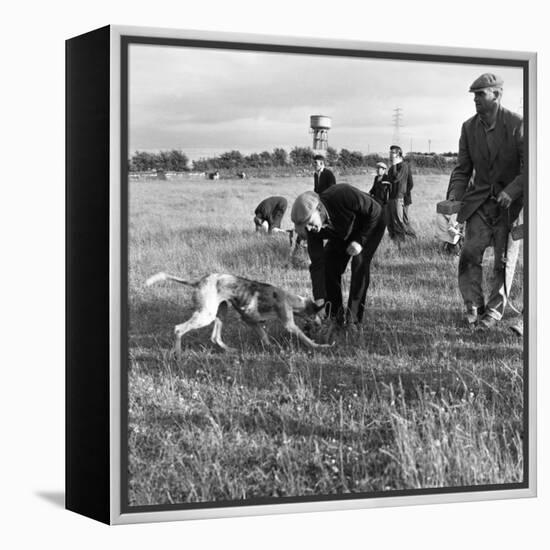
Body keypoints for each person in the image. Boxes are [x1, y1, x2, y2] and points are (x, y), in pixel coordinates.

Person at [446, 73, 524, 329]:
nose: (476, 99)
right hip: (479, 203)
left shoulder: (518, 124)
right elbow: (462, 169)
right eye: (474, 95)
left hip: (510, 207)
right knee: (469, 254)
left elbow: (532, 168)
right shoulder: (468, 128)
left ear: (497, 95)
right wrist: (455, 197)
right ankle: (473, 307)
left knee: (503, 261)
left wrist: (512, 190)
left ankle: (492, 313)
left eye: (481, 94)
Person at [290, 184, 385, 326]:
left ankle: (354, 321)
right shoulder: (312, 230)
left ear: (319, 209)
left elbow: (375, 211)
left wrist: (360, 241)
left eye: (310, 223)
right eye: (306, 227)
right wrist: (319, 300)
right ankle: (335, 317)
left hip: (371, 223)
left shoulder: (342, 194)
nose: (310, 229)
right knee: (329, 265)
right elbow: (317, 264)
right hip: (342, 231)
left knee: (359, 264)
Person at [386, 145, 416, 242]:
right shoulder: (391, 168)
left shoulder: (404, 166)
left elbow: (397, 178)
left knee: (401, 221)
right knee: (391, 221)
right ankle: (395, 241)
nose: (390, 155)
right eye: (390, 153)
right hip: (392, 197)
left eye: (393, 153)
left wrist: (403, 195)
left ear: (399, 154)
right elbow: (390, 181)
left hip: (400, 197)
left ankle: (407, 240)